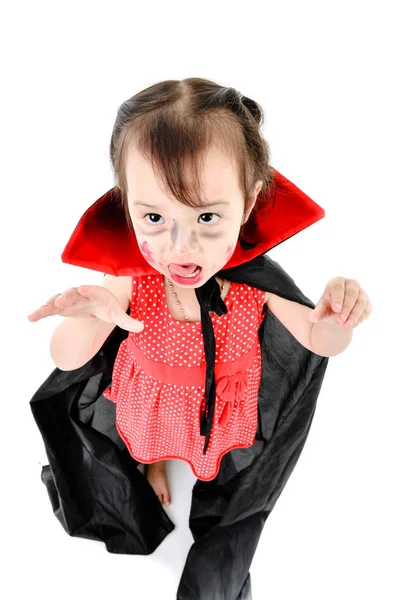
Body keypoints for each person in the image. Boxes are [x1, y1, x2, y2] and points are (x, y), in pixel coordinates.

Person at [27, 78, 372, 600]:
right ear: (126, 203)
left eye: (207, 217)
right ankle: (152, 460)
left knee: (216, 463)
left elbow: (319, 345)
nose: (179, 246)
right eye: (154, 217)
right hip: (152, 399)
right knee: (147, 440)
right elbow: (67, 358)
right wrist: (88, 316)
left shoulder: (256, 282)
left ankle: (196, 471)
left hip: (219, 405)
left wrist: (335, 318)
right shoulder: (128, 277)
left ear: (250, 199)